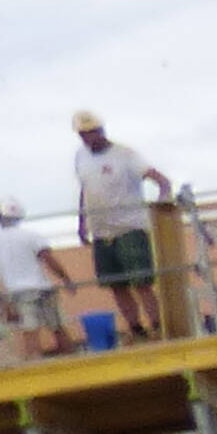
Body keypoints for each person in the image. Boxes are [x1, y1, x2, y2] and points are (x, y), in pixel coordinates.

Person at [70, 111, 166, 338]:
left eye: (91, 133)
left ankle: (159, 325)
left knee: (141, 281)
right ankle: (136, 328)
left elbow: (158, 178)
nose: (87, 139)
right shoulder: (80, 157)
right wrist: (82, 222)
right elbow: (85, 189)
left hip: (129, 227)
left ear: (101, 131)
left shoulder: (125, 154)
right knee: (116, 284)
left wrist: (163, 198)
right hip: (102, 231)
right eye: (83, 135)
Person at [0, 196, 67, 352]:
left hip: (18, 292)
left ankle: (35, 367)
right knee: (57, 328)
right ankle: (70, 359)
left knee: (29, 331)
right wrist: (65, 278)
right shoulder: (32, 235)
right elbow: (48, 259)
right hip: (43, 288)